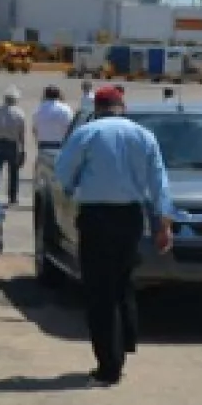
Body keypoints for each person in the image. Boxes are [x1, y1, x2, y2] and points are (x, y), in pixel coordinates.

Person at [52, 85, 176, 386]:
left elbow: (62, 173)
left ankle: (108, 365)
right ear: (123, 107)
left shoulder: (87, 133)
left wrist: (73, 189)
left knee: (100, 290)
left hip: (97, 217)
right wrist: (164, 224)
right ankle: (124, 343)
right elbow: (159, 182)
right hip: (131, 216)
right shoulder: (144, 135)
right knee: (123, 282)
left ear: (97, 108)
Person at [0, 86, 27, 205]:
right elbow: (21, 132)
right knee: (13, 172)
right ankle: (12, 197)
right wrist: (23, 149)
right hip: (12, 144)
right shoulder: (19, 113)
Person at [33, 83, 75, 175]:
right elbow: (71, 129)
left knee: (43, 178)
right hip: (60, 148)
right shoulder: (66, 109)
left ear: (45, 95)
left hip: (43, 148)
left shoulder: (38, 110)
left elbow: (35, 130)